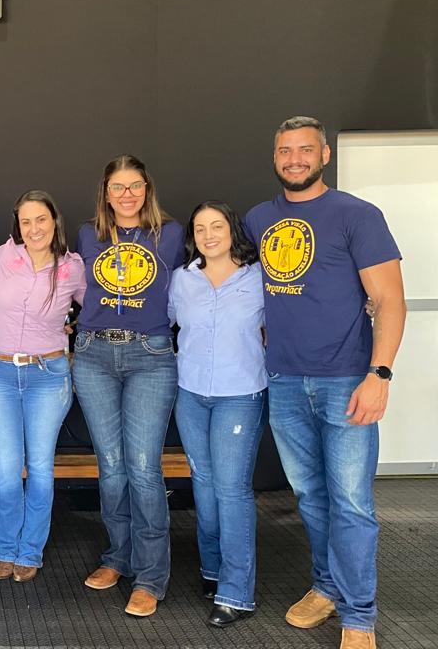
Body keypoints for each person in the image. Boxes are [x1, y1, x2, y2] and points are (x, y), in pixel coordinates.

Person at [244, 116, 405, 649]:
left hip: (346, 381)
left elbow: (389, 300)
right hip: (284, 381)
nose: (295, 159)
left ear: (324, 155)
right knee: (311, 496)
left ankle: (359, 616)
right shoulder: (258, 219)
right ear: (274, 157)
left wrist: (379, 373)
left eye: (305, 149)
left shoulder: (357, 215)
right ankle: (327, 586)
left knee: (352, 502)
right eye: (285, 150)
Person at [71, 154, 182, 618]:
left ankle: (151, 575)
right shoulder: (88, 234)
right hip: (93, 354)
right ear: (106, 192)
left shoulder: (170, 234)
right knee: (112, 466)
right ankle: (119, 556)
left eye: (135, 185)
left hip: (150, 356)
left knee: (143, 467)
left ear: (147, 189)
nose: (127, 194)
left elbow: (196, 283)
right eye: (118, 186)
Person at [168, 201, 266, 627]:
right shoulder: (182, 279)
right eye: (200, 228)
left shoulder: (258, 278)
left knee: (231, 490)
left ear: (232, 230)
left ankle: (236, 592)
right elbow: (163, 322)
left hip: (239, 395)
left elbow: (297, 315)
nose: (209, 235)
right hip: (191, 394)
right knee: (204, 487)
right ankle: (213, 570)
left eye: (217, 226)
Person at [0, 190, 85, 583]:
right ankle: (6, 547)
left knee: (40, 466)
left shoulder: (73, 267)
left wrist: (75, 324)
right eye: (26, 221)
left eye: (41, 219)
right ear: (17, 226)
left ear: (54, 220)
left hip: (47, 375)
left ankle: (30, 550)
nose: (34, 228)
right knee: (7, 468)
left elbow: (97, 306)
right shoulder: (4, 255)